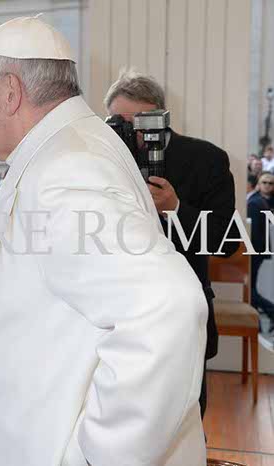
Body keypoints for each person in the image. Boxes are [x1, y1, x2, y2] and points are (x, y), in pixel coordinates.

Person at [0, 14, 207, 466]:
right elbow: (43, 306)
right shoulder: (63, 148)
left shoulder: (68, 168)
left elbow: (167, 309)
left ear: (11, 92)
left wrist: (100, 456)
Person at [104, 69, 238, 418]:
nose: (130, 133)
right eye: (119, 123)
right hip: (113, 319)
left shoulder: (206, 159)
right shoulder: (101, 164)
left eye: (139, 122)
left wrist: (176, 209)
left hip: (181, 317)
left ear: (161, 117)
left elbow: (227, 241)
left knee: (185, 422)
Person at [247, 173, 274, 330]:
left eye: (270, 183)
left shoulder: (257, 202)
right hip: (256, 251)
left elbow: (255, 232)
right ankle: (257, 324)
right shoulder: (257, 202)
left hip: (254, 252)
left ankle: (269, 312)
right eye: (265, 182)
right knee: (251, 289)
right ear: (258, 184)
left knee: (251, 290)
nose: (267, 185)